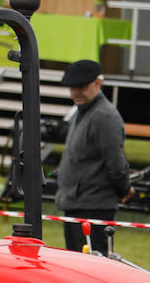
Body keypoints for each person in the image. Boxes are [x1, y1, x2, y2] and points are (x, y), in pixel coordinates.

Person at [54, 59, 129, 255]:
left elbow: (116, 163)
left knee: (91, 268)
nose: (75, 92)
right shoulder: (84, 111)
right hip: (78, 204)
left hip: (93, 207)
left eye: (81, 87)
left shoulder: (105, 116)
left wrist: (124, 190)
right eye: (72, 88)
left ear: (98, 83)